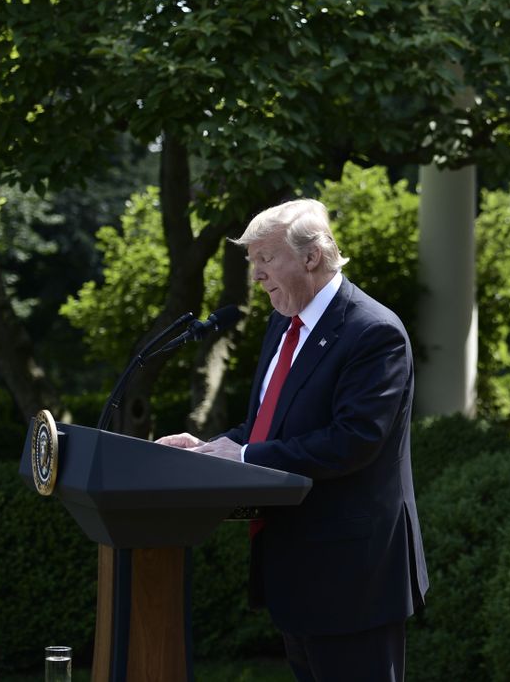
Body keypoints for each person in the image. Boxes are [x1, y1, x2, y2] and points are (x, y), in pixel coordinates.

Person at [158, 198, 428, 682]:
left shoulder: (374, 331)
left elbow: (353, 440)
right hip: (296, 568)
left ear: (312, 257)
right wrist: (207, 450)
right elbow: (269, 428)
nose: (257, 276)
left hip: (353, 578)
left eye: (266, 259)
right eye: (252, 262)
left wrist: (241, 456)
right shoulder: (283, 322)